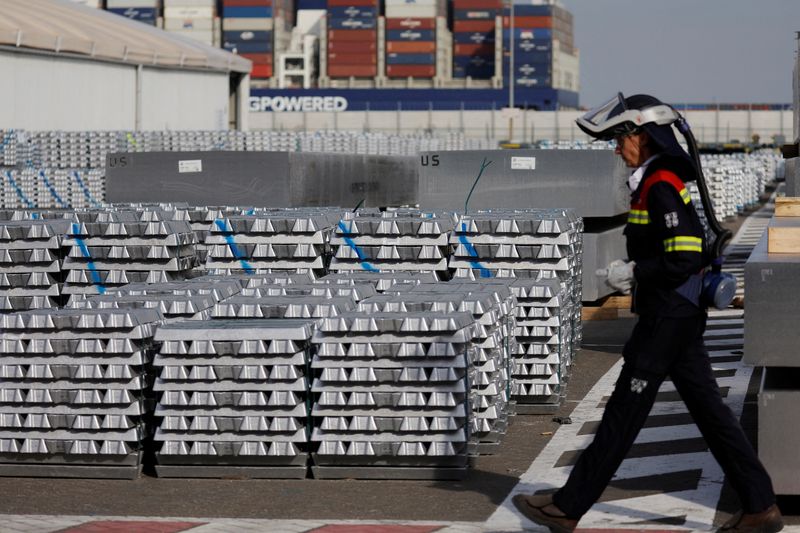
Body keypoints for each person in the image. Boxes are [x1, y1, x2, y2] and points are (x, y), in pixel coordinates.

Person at [511, 93, 783, 533]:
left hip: (667, 317)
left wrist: (636, 271)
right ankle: (761, 506)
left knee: (624, 412)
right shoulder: (656, 180)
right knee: (711, 414)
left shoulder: (658, 184)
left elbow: (686, 254)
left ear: (643, 136)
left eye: (621, 139)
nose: (617, 148)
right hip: (676, 316)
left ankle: (568, 507)